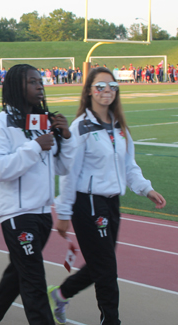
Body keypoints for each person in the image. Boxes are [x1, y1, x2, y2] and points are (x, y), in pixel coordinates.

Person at [49, 67, 167, 325]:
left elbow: (129, 166)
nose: (107, 91)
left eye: (112, 85)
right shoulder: (81, 127)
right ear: (89, 91)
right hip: (88, 203)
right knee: (106, 269)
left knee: (100, 263)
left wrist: (146, 189)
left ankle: (60, 294)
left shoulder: (119, 126)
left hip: (111, 202)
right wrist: (64, 213)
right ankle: (111, 321)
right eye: (100, 86)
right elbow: (69, 172)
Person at [0, 64, 76, 325]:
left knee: (19, 273)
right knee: (34, 280)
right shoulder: (2, 122)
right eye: (32, 81)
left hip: (43, 213)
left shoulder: (41, 121)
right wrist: (33, 147)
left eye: (40, 81)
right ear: (16, 87)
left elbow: (63, 167)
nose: (40, 85)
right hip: (17, 214)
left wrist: (65, 138)